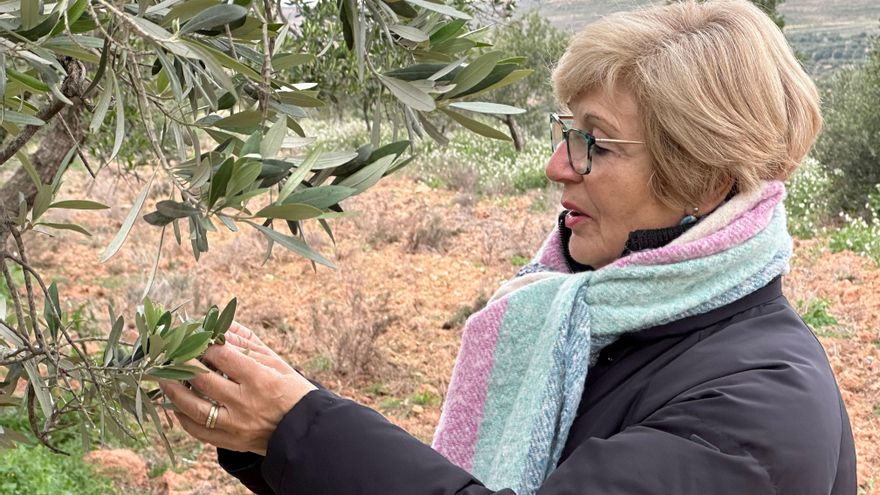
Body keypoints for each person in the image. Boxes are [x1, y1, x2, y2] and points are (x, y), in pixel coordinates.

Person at [160, 1, 857, 493]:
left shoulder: (759, 409)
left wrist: (300, 430)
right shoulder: (598, 320)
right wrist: (273, 440)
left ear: (704, 174)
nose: (557, 165)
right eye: (565, 131)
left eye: (595, 142)